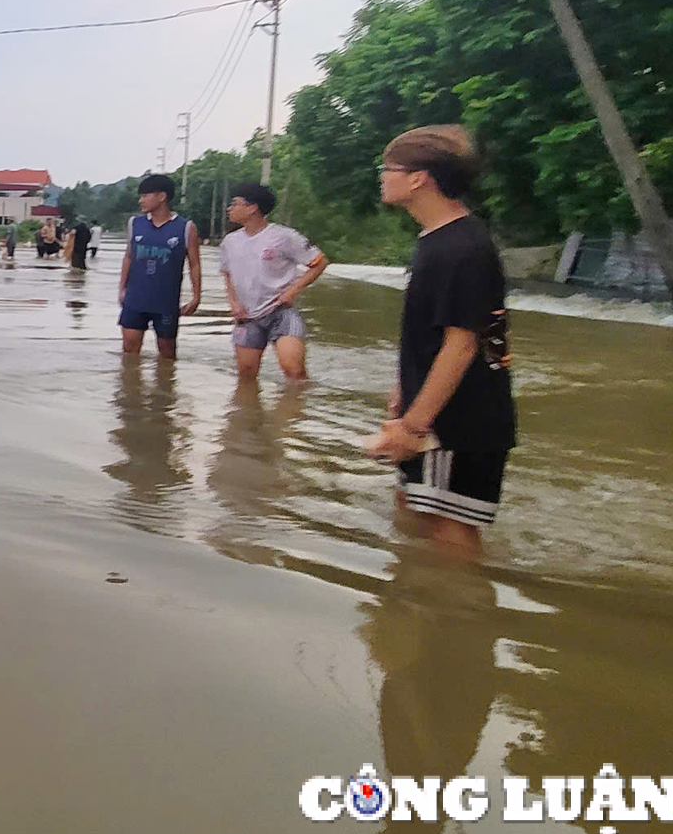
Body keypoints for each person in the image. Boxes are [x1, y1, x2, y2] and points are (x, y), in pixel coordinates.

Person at [363, 125, 516, 553]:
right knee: (416, 512)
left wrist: (414, 426)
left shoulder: (461, 249)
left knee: (450, 531)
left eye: (388, 167)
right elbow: (429, 331)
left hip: (459, 421)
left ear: (419, 178)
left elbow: (463, 344)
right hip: (439, 415)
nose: (382, 176)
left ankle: (459, 615)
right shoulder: (437, 241)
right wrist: (402, 391)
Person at [220, 182, 329, 382]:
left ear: (253, 208)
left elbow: (319, 262)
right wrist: (233, 303)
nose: (230, 208)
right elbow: (227, 274)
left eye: (235, 203)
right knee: (246, 375)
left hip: (280, 311)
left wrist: (293, 290)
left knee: (294, 371)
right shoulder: (230, 241)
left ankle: (297, 411)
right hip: (248, 316)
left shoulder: (284, 236)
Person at [117, 174, 201, 358]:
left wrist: (196, 296)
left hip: (166, 301)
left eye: (145, 196)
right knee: (129, 351)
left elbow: (194, 264)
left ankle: (165, 386)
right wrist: (122, 288)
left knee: (167, 353)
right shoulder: (135, 224)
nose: (141, 200)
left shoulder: (186, 227)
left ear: (162, 197)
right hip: (135, 298)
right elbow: (128, 257)